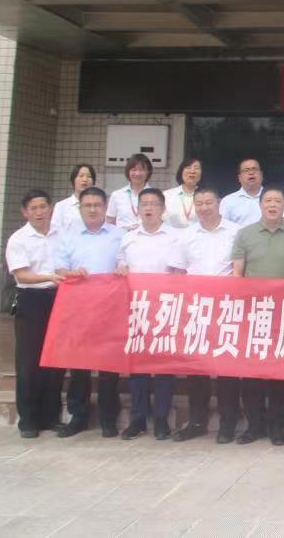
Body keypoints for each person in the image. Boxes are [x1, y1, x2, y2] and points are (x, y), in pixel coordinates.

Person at [231, 188, 284, 446]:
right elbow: (237, 272)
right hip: (253, 313)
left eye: (278, 201)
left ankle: (277, 427)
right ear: (260, 205)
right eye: (268, 201)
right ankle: (254, 426)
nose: (273, 205)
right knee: (251, 373)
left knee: (280, 373)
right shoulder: (245, 234)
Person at [167, 187, 241, 443]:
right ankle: (197, 421)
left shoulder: (236, 232)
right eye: (199, 203)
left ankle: (228, 424)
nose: (204, 208)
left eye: (209, 202)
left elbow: (241, 269)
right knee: (196, 368)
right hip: (196, 308)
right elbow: (178, 273)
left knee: (227, 367)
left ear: (219, 203)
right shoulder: (186, 235)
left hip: (227, 307)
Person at [53, 185, 123, 438]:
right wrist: (73, 273)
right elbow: (59, 270)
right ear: (80, 208)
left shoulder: (120, 235)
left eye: (97, 205)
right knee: (78, 366)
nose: (92, 210)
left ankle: (108, 418)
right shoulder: (67, 236)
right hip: (79, 310)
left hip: (109, 309)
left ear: (105, 208)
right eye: (87, 205)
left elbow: (127, 265)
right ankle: (78, 416)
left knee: (108, 367)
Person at [115, 187, 181, 441]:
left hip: (165, 308)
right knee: (138, 367)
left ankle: (162, 419)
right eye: (144, 204)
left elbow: (181, 273)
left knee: (164, 366)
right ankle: (138, 419)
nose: (149, 208)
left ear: (163, 209)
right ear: (138, 209)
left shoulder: (175, 237)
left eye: (154, 204)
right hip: (137, 309)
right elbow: (120, 268)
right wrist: (121, 271)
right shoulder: (129, 238)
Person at [5, 189, 66, 439]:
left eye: (43, 207)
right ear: (25, 212)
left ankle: (51, 417)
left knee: (55, 361)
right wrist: (50, 277)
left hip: (59, 299)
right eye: (34, 208)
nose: (39, 212)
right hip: (31, 299)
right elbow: (21, 275)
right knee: (29, 362)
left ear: (50, 208)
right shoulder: (18, 239)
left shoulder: (62, 234)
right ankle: (28, 421)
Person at [107, 153, 152, 231]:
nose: (137, 173)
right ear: (128, 172)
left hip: (147, 236)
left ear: (148, 172)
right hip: (122, 236)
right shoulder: (117, 195)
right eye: (134, 170)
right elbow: (110, 221)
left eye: (141, 170)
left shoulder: (156, 196)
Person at [50, 163, 96, 234]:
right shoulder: (61, 206)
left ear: (93, 182)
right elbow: (55, 232)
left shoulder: (99, 206)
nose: (85, 179)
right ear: (73, 180)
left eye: (89, 176)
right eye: (81, 176)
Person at [221, 158, 265, 226]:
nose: (251, 173)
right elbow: (223, 227)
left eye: (255, 169)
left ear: (261, 175)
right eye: (246, 170)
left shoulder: (274, 198)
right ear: (239, 178)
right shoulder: (228, 201)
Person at [163, 157, 204, 230]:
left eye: (196, 168)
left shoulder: (206, 197)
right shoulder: (167, 195)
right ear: (181, 172)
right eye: (188, 167)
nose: (192, 171)